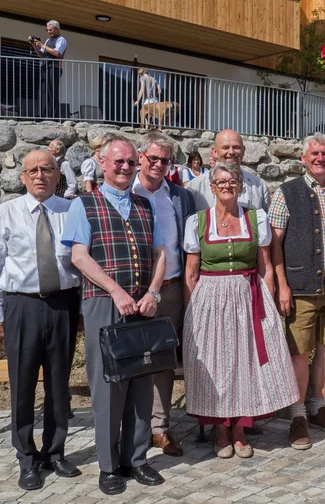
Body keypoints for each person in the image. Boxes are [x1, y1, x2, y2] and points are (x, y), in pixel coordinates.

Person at [62, 133, 167, 495]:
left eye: (129, 161)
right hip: (104, 303)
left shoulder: (144, 204)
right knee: (108, 384)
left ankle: (136, 459)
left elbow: (160, 252)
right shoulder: (84, 204)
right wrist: (116, 290)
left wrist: (154, 290)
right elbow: (78, 256)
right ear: (103, 163)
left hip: (143, 305)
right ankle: (109, 466)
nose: (124, 167)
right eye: (117, 161)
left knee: (141, 380)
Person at [182, 161, 298, 458]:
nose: (227, 187)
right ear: (212, 187)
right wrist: (192, 314)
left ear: (241, 186)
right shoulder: (198, 221)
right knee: (217, 362)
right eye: (221, 182)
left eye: (232, 181)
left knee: (244, 362)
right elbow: (191, 272)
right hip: (210, 297)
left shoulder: (255, 218)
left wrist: (267, 306)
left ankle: (239, 429)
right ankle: (220, 429)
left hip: (248, 296)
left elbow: (265, 266)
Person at [0, 150, 82, 491]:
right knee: (23, 386)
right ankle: (26, 457)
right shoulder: (5, 214)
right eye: (33, 170)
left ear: (58, 175)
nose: (40, 175)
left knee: (59, 385)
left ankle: (55, 452)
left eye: (47, 169)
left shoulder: (71, 211)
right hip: (21, 307)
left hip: (63, 305)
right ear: (23, 177)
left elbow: (80, 262)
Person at [269, 132, 325, 450]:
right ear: (303, 159)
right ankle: (297, 416)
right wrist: (281, 284)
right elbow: (274, 243)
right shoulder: (287, 192)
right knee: (298, 352)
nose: (320, 158)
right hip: (301, 285)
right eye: (314, 154)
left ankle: (319, 407)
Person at [132, 131, 196, 457]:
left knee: (165, 362)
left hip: (170, 290)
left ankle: (160, 428)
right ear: (140, 157)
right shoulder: (124, 192)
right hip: (133, 292)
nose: (158, 164)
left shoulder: (179, 197)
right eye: (152, 158)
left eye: (164, 160)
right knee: (134, 361)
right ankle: (134, 430)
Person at [187, 129, 270, 211]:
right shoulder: (195, 188)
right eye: (225, 147)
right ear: (215, 151)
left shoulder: (259, 186)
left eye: (236, 147)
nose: (231, 152)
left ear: (244, 150)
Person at [30, 20, 67, 118]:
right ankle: (41, 115)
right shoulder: (47, 41)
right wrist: (35, 46)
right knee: (42, 91)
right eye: (47, 30)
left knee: (52, 92)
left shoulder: (61, 40)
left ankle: (53, 116)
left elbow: (57, 53)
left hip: (54, 68)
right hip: (45, 67)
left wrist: (42, 45)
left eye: (50, 30)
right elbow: (41, 55)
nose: (48, 32)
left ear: (56, 29)